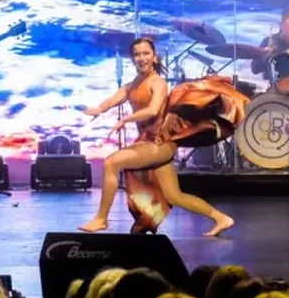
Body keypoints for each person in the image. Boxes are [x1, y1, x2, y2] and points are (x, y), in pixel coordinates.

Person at [79, 38, 247, 236]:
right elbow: (114, 99)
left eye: (146, 54)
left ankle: (101, 219)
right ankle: (222, 218)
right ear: (133, 58)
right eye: (137, 54)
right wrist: (98, 109)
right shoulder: (132, 85)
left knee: (111, 163)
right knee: (174, 195)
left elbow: (153, 110)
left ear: (154, 57)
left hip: (159, 142)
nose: (141, 58)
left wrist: (127, 119)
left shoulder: (157, 83)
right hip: (149, 143)